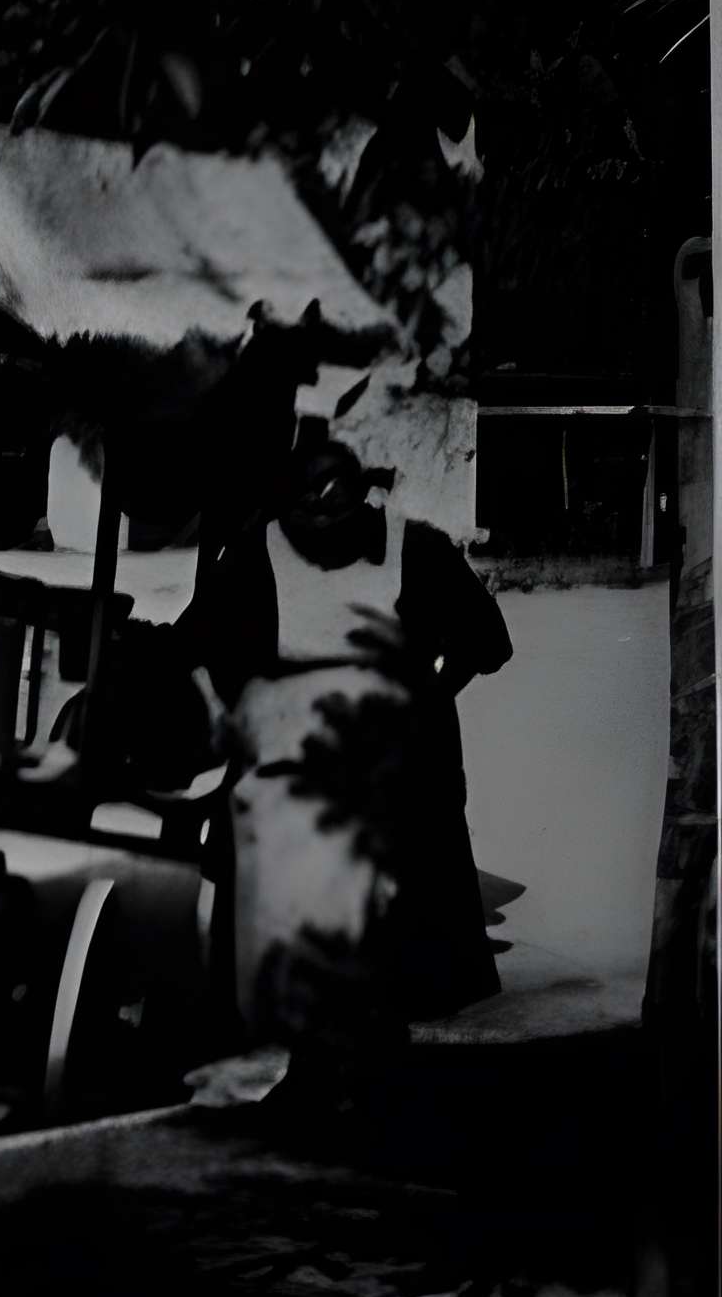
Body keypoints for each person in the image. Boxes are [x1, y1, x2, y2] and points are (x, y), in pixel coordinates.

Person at [180, 419, 514, 1114]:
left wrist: (425, 694)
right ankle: (319, 1072)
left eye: (335, 508)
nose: (321, 524)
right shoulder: (257, 552)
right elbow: (197, 644)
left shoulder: (416, 550)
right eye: (307, 510)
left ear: (363, 498)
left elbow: (488, 641)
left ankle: (365, 1080)